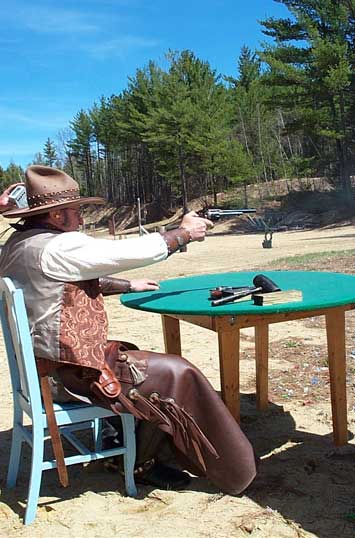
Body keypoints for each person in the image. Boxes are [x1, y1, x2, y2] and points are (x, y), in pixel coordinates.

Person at [0, 165, 256, 494]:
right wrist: (182, 234)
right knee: (177, 373)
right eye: (76, 211)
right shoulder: (56, 247)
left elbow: (63, 278)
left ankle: (128, 442)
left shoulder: (20, 243)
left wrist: (128, 285)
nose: (80, 218)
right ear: (56, 216)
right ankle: (233, 473)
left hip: (47, 365)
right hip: (67, 373)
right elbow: (119, 252)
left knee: (133, 351)